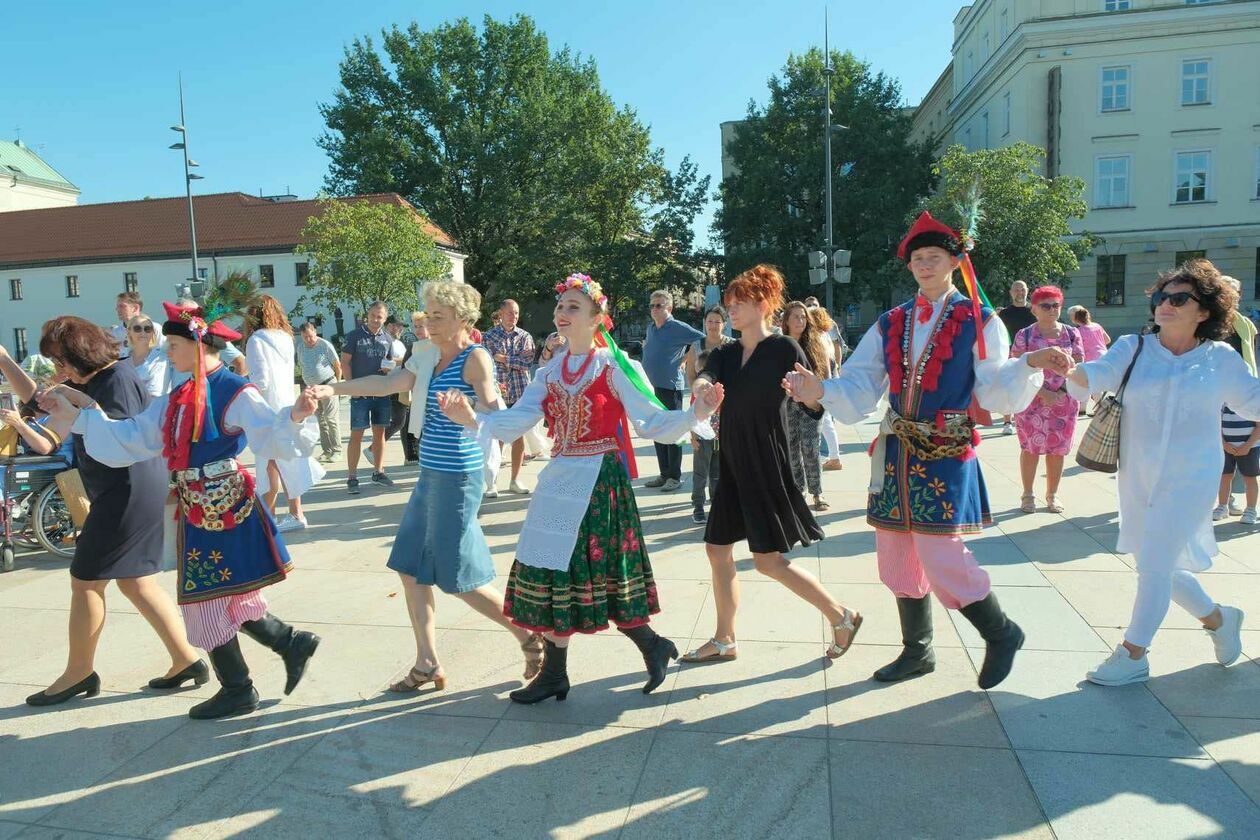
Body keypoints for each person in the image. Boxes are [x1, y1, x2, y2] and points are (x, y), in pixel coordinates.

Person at [784, 213, 1073, 689]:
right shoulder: (891, 321)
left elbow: (996, 387)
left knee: (941, 553)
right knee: (894, 551)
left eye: (934, 257)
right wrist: (817, 387)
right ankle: (918, 650)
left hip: (945, 448)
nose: (924, 265)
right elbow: (860, 383)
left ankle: (1000, 632)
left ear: (957, 262)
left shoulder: (981, 320)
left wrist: (1030, 363)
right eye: (917, 258)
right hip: (896, 449)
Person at [440, 273, 720, 704]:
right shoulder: (550, 371)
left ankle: (642, 647)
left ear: (597, 319)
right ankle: (567, 670)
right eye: (560, 307)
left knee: (592, 572)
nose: (562, 313)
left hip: (598, 482)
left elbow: (651, 420)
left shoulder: (615, 365)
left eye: (574, 307)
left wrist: (695, 411)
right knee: (550, 569)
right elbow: (517, 420)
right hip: (558, 478)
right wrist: (473, 420)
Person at [40, 299, 324, 718]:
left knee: (204, 600)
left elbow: (270, 435)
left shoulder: (234, 390)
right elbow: (135, 435)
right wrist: (79, 418)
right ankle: (287, 644)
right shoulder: (177, 395)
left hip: (226, 507)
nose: (165, 352)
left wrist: (296, 417)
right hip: (198, 508)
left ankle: (239, 688)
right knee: (226, 596)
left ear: (196, 345)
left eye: (172, 345)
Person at [310, 280, 544, 692]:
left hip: (459, 477)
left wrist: (470, 414)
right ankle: (427, 663)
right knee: (410, 569)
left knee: (458, 578)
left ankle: (527, 634)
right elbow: (387, 384)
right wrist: (334, 388)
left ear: (462, 318)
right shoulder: (429, 355)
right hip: (430, 476)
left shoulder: (476, 359)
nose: (430, 322)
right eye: (428, 314)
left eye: (439, 316)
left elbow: (498, 416)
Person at [1065, 259, 1252, 686]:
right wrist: (1069, 368)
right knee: (1155, 562)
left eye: (1179, 298)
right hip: (1139, 476)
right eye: (1161, 297)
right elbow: (1096, 375)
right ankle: (1220, 619)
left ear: (1203, 311)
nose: (1166, 304)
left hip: (1194, 477)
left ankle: (1134, 654)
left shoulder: (1220, 358)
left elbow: (1253, 401)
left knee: (1154, 562)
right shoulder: (1133, 347)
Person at [3, 320, 205, 707]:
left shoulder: (115, 379)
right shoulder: (95, 378)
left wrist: (74, 403)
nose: (58, 371)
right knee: (137, 581)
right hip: (130, 488)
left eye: (60, 362)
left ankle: (79, 672)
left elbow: (124, 434)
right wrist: (4, 360)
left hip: (125, 491)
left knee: (86, 580)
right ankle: (186, 659)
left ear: (79, 354)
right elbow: (37, 404)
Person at [682, 265, 861, 667]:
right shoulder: (726, 352)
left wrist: (806, 395)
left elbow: (814, 402)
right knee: (716, 549)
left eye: (739, 303)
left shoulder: (783, 349)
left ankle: (842, 616)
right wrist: (701, 388)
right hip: (731, 461)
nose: (731, 309)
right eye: (729, 303)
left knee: (767, 561)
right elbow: (704, 375)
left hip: (765, 461)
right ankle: (724, 639)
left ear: (762, 305)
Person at [245, 295, 325, 533]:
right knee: (284, 461)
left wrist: (242, 387)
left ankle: (275, 517)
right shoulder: (285, 337)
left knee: (269, 463)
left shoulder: (256, 339)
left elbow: (261, 380)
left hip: (267, 408)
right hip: (288, 405)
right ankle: (288, 513)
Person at [1009, 286, 1083, 515]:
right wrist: (1043, 392)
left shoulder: (1072, 333)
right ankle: (1028, 494)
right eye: (1045, 305)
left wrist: (1060, 391)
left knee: (1057, 450)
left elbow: (1080, 364)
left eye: (1056, 305)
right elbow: (1015, 367)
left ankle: (1052, 495)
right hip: (1032, 400)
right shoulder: (1026, 335)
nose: (1051, 310)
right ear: (1034, 309)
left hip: (1064, 400)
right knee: (1030, 448)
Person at [642, 290, 704, 492]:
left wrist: (687, 359)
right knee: (657, 430)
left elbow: (702, 339)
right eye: (652, 305)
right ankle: (663, 474)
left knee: (674, 431)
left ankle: (674, 477)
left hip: (670, 388)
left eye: (658, 305)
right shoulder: (651, 328)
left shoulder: (676, 327)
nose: (654, 309)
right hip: (651, 388)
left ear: (669, 308)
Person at [684, 305, 734, 523]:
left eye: (717, 321)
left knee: (719, 467)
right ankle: (698, 505)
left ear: (725, 324)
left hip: (725, 413)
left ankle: (718, 503)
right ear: (704, 322)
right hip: (703, 413)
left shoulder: (731, 346)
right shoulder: (696, 346)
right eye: (709, 321)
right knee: (701, 466)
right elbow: (691, 378)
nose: (713, 325)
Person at [481, 299, 536, 495]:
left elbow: (527, 362)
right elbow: (486, 363)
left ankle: (515, 480)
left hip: (520, 392)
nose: (514, 317)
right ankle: (492, 483)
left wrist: (504, 359)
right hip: (497, 393)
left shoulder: (524, 336)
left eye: (517, 313)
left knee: (519, 437)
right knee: (496, 437)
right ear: (501, 313)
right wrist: (513, 360)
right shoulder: (489, 336)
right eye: (511, 312)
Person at [340, 301, 395, 494]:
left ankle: (378, 472)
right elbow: (344, 362)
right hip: (359, 394)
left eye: (379, 316)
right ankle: (352, 477)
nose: (375, 319)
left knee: (379, 434)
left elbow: (390, 364)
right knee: (357, 434)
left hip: (381, 393)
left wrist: (389, 369)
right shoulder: (354, 336)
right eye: (372, 315)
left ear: (385, 318)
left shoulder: (388, 338)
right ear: (367, 315)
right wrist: (351, 386)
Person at [782, 300, 830, 512]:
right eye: (796, 317)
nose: (800, 320)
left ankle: (817, 493)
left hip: (811, 404)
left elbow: (825, 372)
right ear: (787, 321)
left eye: (803, 316)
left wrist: (821, 397)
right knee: (791, 448)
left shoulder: (815, 343)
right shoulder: (780, 345)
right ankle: (797, 491)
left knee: (811, 448)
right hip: (787, 404)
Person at [296, 322, 343, 464]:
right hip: (312, 387)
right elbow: (302, 366)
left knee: (331, 419)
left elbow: (337, 366)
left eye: (310, 336)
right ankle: (327, 450)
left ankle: (337, 450)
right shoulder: (300, 347)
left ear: (315, 332)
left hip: (328, 384)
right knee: (320, 420)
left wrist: (336, 386)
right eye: (305, 337)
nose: (308, 340)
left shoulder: (324, 345)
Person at [807, 304, 844, 472]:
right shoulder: (825, 335)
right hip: (828, 381)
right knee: (826, 422)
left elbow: (822, 363)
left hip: (823, 382)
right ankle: (834, 457)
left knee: (823, 422)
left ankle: (833, 458)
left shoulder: (817, 337)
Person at [997, 280, 1036, 434]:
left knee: (1031, 386)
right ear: (1011, 293)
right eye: (1016, 290)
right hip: (1010, 354)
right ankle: (1008, 422)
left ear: (1027, 291)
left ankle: (1029, 420)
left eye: (1022, 289)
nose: (1020, 293)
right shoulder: (1004, 313)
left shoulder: (1035, 311)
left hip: (1032, 354)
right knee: (1008, 387)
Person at [1068, 305, 1111, 416]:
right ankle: (1087, 408)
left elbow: (1076, 348)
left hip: (1089, 359)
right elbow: (1107, 340)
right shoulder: (1097, 326)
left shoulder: (1078, 331)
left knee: (1089, 384)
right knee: (1094, 384)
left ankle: (1098, 409)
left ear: (1075, 318)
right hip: (1104, 357)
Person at [382, 316, 412, 462]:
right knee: (398, 422)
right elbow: (385, 363)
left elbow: (407, 362)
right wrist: (407, 359)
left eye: (401, 326)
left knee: (406, 423)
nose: (401, 329)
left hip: (403, 386)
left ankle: (410, 456)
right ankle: (374, 446)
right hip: (391, 386)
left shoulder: (399, 343)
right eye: (398, 326)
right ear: (390, 326)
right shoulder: (383, 341)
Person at [123, 313, 169, 398]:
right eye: (137, 329)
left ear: (152, 333)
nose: (143, 332)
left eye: (147, 329)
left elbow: (155, 395)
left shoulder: (159, 358)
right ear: (128, 332)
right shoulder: (120, 357)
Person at [110, 291, 146, 356]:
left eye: (122, 306)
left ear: (135, 308)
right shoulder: (115, 333)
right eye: (117, 307)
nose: (117, 309)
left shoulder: (153, 329)